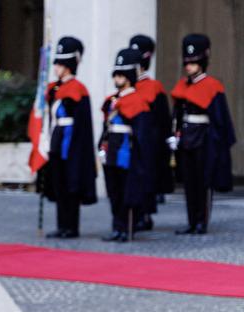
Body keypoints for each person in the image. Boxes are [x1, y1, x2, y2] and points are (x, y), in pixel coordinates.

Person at [169, 33, 237, 235]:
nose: (188, 66)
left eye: (193, 62)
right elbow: (178, 114)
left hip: (204, 140)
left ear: (202, 62)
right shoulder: (182, 85)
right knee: (189, 183)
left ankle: (202, 222)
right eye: (186, 62)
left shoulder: (212, 86)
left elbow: (219, 120)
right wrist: (175, 134)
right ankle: (191, 221)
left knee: (203, 182)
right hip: (188, 138)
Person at [42, 37, 97, 239]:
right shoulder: (54, 89)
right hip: (56, 138)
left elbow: (80, 123)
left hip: (71, 142)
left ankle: (71, 226)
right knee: (59, 184)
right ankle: (61, 225)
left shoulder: (78, 89)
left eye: (60, 64)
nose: (56, 67)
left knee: (70, 184)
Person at [99, 48, 154, 243]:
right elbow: (106, 127)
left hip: (126, 152)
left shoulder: (138, 102)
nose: (118, 78)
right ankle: (117, 227)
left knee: (126, 192)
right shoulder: (112, 101)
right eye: (117, 74)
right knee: (113, 191)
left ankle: (127, 228)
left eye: (122, 74)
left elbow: (141, 135)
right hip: (112, 150)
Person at [129, 34, 172, 231]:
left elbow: (163, 120)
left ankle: (144, 215)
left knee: (145, 179)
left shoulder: (154, 87)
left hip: (149, 142)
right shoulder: (128, 86)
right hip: (129, 139)